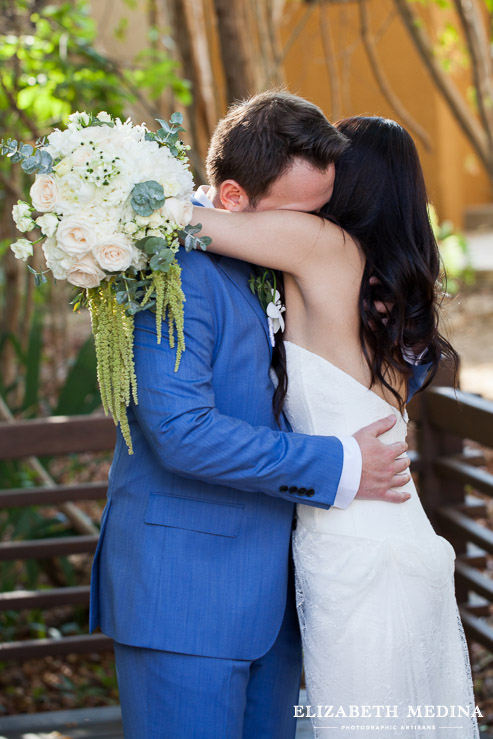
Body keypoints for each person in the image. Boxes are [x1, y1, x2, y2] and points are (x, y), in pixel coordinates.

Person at [89, 92, 430, 739]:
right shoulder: (177, 273)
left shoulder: (298, 275)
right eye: (303, 216)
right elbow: (180, 431)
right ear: (234, 202)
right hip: (187, 594)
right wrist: (340, 464)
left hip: (284, 598)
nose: (319, 229)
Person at [189, 113, 479, 737]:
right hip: (394, 532)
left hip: (355, 549)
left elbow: (180, 223)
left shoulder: (321, 247)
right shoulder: (385, 288)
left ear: (348, 181)